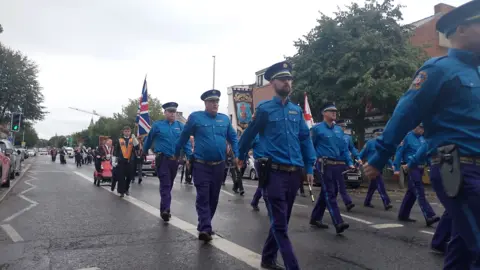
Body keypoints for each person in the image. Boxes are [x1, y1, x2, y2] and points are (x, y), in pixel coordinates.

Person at [362, 2, 480, 268]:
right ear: (461, 29)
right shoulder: (438, 68)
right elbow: (406, 113)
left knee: (464, 248)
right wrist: (380, 156)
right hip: (456, 166)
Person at [238, 61, 316, 270]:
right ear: (273, 82)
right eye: (283, 79)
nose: (287, 82)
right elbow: (249, 134)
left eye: (289, 79)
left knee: (281, 222)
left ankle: (267, 258)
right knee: (280, 225)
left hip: (294, 174)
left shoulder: (296, 111)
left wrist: (309, 167)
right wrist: (240, 154)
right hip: (272, 174)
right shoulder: (264, 110)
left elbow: (304, 139)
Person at [175, 89, 238, 242]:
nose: (215, 104)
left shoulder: (224, 120)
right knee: (203, 196)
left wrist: (237, 154)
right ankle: (205, 227)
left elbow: (233, 138)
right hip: (201, 165)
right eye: (212, 102)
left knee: (214, 197)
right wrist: (178, 153)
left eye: (217, 102)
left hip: (219, 165)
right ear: (205, 103)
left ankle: (204, 222)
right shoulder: (195, 118)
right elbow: (184, 137)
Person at [309, 102, 354, 234]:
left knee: (328, 192)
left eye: (335, 111)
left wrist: (349, 162)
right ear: (324, 113)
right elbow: (311, 146)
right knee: (330, 192)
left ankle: (315, 218)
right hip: (323, 164)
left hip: (337, 165)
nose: (334, 113)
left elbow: (344, 149)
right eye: (331, 111)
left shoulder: (339, 130)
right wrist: (313, 162)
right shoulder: (316, 129)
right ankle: (338, 222)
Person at [143, 102, 192, 222]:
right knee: (165, 184)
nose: (172, 114)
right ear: (165, 113)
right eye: (170, 111)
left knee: (168, 185)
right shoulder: (158, 125)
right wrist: (144, 151)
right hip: (162, 159)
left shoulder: (180, 126)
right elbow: (149, 139)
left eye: (174, 112)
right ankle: (166, 209)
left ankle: (163, 208)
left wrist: (189, 157)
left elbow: (185, 143)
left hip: (174, 160)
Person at [393, 124, 440, 226]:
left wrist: (431, 164)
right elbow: (399, 152)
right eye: (420, 127)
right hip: (411, 167)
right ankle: (429, 215)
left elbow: (425, 153)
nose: (422, 129)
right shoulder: (407, 137)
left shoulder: (423, 139)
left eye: (423, 128)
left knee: (412, 192)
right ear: (415, 127)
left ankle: (403, 214)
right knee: (419, 190)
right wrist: (396, 168)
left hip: (421, 168)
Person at [359, 131, 393, 210]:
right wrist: (357, 162)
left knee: (373, 186)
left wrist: (392, 165)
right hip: (372, 167)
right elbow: (362, 154)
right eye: (378, 134)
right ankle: (386, 202)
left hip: (379, 167)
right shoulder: (369, 143)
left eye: (380, 134)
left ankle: (367, 201)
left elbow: (385, 156)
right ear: (374, 135)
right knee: (380, 185)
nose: (379, 136)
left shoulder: (383, 144)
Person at [334, 119, 360, 210]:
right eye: (341, 126)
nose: (343, 128)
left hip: (343, 163)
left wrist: (358, 158)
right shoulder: (333, 136)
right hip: (333, 163)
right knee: (337, 185)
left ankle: (345, 202)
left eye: (344, 126)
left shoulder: (347, 137)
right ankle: (345, 202)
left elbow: (351, 149)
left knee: (340, 184)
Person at [114, 126, 139, 197]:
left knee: (129, 177)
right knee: (121, 177)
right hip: (121, 161)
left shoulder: (132, 140)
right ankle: (121, 191)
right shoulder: (120, 140)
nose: (127, 132)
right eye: (126, 131)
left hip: (130, 161)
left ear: (130, 132)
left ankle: (126, 189)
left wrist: (135, 139)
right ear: (123, 132)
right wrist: (115, 160)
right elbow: (116, 151)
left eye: (128, 131)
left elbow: (137, 148)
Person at [249, 134, 265, 211]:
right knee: (263, 184)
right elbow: (248, 145)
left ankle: (255, 201)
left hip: (270, 162)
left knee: (264, 184)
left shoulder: (271, 134)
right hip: (260, 162)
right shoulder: (257, 135)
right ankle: (270, 209)